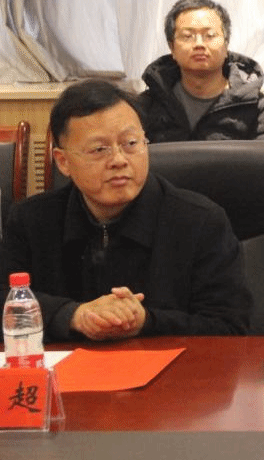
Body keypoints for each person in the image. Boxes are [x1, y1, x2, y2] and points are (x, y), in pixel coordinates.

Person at [0, 80, 251, 341]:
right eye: (99, 149)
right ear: (63, 162)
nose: (119, 160)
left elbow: (229, 325)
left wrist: (147, 321)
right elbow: (4, 300)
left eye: (130, 143)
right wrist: (72, 315)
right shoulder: (31, 220)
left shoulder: (200, 221)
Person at [139, 0, 264, 142]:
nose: (199, 44)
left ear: (226, 45)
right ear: (172, 47)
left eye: (210, 35)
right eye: (187, 36)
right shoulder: (146, 106)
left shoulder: (258, 108)